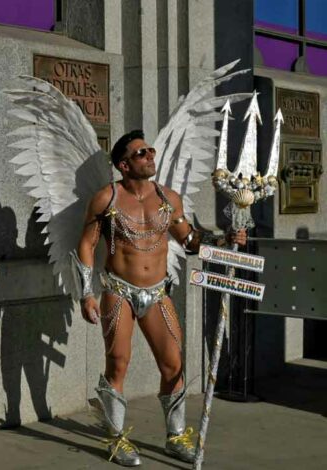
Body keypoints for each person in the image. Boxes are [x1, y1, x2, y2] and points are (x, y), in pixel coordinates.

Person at [75, 130, 246, 466]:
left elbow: (190, 241)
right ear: (124, 164)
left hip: (157, 292)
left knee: (173, 363)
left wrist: (224, 240)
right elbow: (87, 244)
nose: (150, 155)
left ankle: (175, 436)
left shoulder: (168, 199)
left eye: (150, 150)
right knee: (118, 363)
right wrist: (85, 294)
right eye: (141, 153)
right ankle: (116, 437)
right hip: (118, 291)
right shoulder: (106, 198)